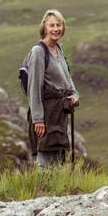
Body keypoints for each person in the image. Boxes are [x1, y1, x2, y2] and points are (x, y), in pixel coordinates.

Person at [26, 9, 80, 168]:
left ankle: (54, 191)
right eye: (52, 25)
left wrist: (75, 94)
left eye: (59, 25)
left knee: (57, 160)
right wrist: (37, 119)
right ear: (44, 27)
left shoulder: (58, 50)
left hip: (59, 112)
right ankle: (43, 192)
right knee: (44, 162)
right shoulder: (38, 51)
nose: (56, 29)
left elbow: (67, 78)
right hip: (46, 112)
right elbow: (33, 87)